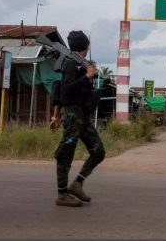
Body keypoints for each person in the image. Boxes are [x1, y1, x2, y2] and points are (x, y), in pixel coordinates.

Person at [54, 30, 106, 207]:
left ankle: (77, 184)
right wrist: (87, 77)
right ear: (86, 46)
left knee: (98, 152)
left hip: (83, 115)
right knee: (65, 154)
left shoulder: (81, 64)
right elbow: (65, 91)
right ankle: (62, 194)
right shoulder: (70, 64)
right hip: (72, 115)